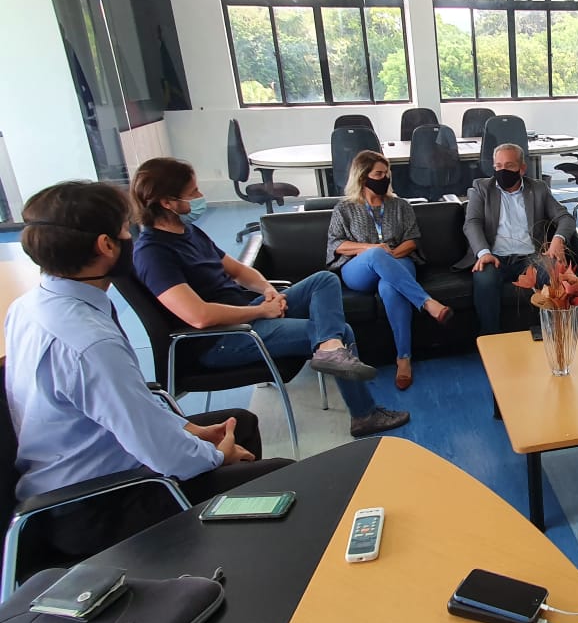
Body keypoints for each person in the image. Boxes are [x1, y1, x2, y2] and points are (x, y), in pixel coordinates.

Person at [6, 180, 293, 559]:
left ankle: (232, 552)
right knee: (283, 477)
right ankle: (232, 560)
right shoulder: (90, 343)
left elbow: (126, 409)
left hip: (70, 472)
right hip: (100, 503)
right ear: (106, 246)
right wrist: (217, 455)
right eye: (127, 228)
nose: (133, 235)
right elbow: (166, 455)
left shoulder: (28, 307)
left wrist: (188, 429)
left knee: (240, 422)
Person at [130, 157, 409, 438]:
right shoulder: (153, 254)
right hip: (221, 339)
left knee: (324, 280)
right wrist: (262, 312)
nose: (201, 197)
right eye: (193, 193)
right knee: (341, 330)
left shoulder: (188, 232)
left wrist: (268, 291)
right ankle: (363, 414)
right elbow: (199, 317)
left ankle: (330, 349)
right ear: (167, 202)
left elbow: (238, 270)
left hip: (247, 312)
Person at [326, 150, 453, 390]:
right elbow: (337, 245)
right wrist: (373, 250)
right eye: (379, 173)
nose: (384, 178)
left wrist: (389, 255)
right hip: (359, 269)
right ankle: (427, 303)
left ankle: (403, 359)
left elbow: (413, 240)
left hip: (398, 260)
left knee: (391, 288)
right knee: (375, 253)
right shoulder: (344, 209)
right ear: (363, 177)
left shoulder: (400, 205)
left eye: (387, 174)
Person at [457, 143, 576, 335]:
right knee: (485, 280)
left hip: (531, 256)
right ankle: (491, 338)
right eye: (498, 166)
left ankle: (554, 334)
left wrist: (558, 240)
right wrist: (484, 252)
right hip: (494, 257)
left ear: (522, 168)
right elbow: (472, 223)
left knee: (555, 272)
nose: (502, 171)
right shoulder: (481, 188)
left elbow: (565, 218)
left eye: (509, 166)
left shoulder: (538, 188)